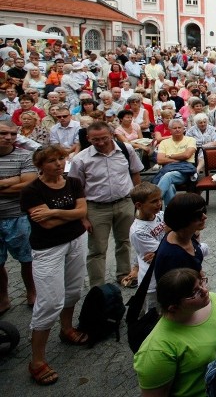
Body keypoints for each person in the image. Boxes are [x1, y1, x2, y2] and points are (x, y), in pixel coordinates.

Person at [21, 145, 89, 386]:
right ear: (40, 165)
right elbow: (45, 225)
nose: (59, 164)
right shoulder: (32, 190)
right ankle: (37, 360)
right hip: (48, 248)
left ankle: (66, 328)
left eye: (61, 158)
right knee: (49, 301)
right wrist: (68, 214)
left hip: (77, 240)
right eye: (52, 161)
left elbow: (82, 210)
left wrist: (52, 212)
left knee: (73, 289)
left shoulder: (73, 182)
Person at [133, 268, 216, 397]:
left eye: (202, 283)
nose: (205, 291)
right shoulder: (157, 350)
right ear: (173, 307)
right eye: (194, 292)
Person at [68, 120, 143, 286]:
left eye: (104, 138)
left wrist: (138, 201)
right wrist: (83, 217)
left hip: (124, 202)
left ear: (111, 135)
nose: (101, 143)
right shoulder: (80, 159)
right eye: (96, 140)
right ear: (88, 138)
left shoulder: (126, 149)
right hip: (96, 208)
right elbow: (76, 189)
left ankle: (124, 275)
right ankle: (98, 287)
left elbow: (135, 174)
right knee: (97, 249)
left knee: (124, 242)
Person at [153, 193, 208, 281]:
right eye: (198, 215)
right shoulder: (174, 257)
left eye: (204, 211)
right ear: (183, 220)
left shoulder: (184, 235)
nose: (204, 217)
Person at [128, 182, 166, 308]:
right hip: (152, 281)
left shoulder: (160, 215)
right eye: (154, 201)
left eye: (160, 199)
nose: (159, 203)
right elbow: (165, 252)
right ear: (139, 205)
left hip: (165, 274)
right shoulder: (138, 231)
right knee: (153, 315)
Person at [152, 118, 198, 207]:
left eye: (179, 127)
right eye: (174, 128)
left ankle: (153, 201)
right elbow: (160, 160)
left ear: (183, 129)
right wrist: (179, 158)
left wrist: (170, 156)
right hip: (167, 170)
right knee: (169, 186)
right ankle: (172, 213)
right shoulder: (164, 143)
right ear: (170, 130)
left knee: (168, 176)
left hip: (185, 171)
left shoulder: (190, 140)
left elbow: (187, 155)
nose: (177, 129)